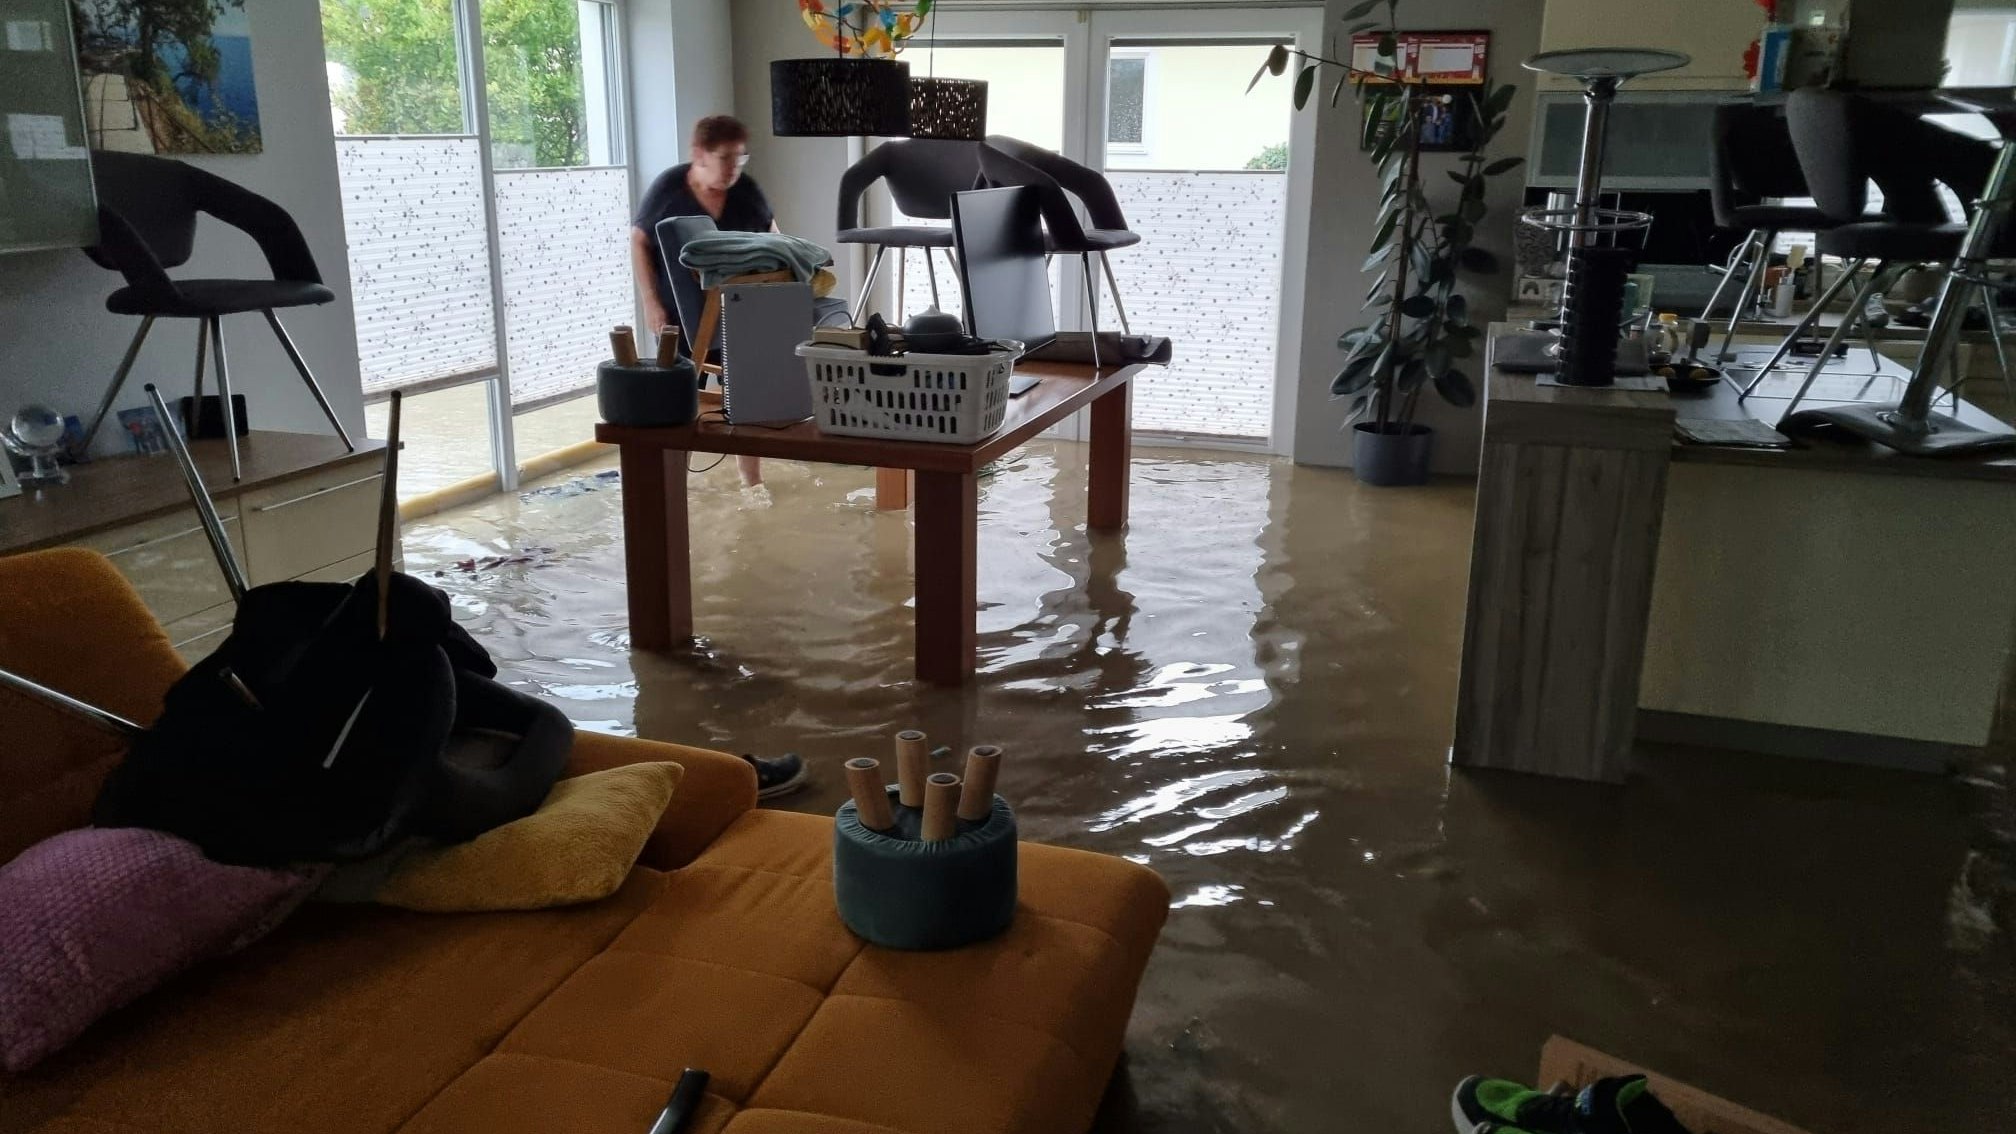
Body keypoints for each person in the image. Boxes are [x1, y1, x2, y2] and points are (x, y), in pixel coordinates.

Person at [632, 115, 778, 489]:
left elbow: (775, 236)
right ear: (699, 154)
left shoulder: (746, 190)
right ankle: (674, 481)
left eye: (740, 158)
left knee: (747, 395)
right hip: (678, 312)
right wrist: (650, 302)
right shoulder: (668, 188)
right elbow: (639, 241)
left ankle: (752, 483)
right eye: (726, 157)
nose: (734, 167)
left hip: (739, 309)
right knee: (679, 397)